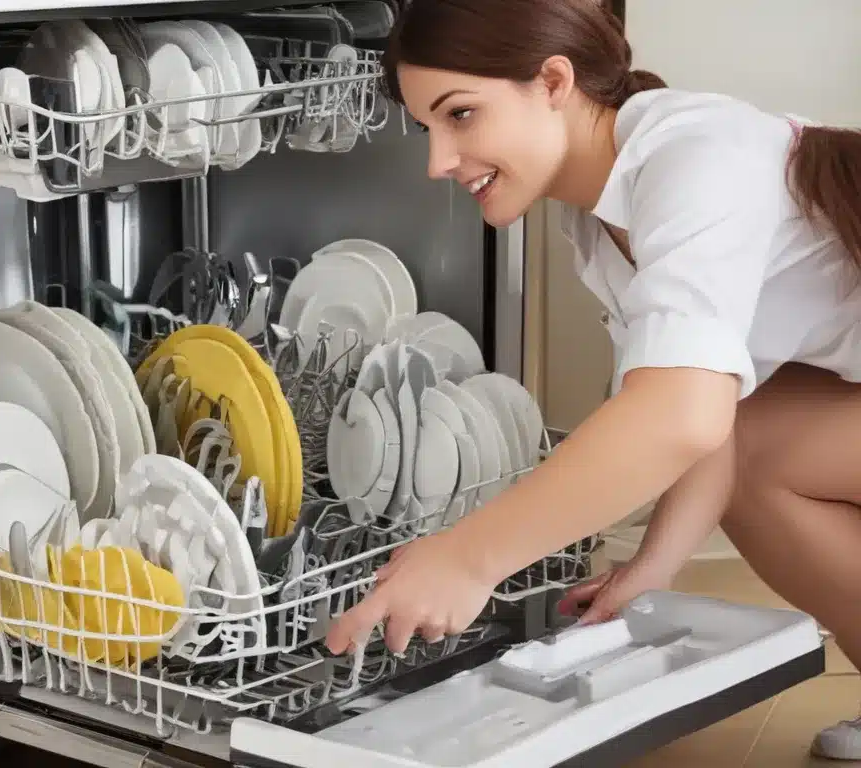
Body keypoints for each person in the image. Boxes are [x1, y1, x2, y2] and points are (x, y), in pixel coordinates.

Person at [323, 0, 861, 759]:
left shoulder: (693, 158)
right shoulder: (597, 220)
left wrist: (471, 556)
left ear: (552, 81)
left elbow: (684, 416)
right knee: (753, 437)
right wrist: (650, 571)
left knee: (758, 449)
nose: (438, 161)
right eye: (428, 128)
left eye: (461, 115)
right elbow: (709, 413)